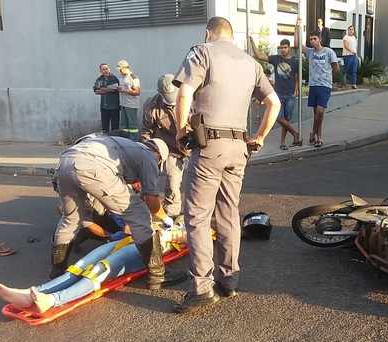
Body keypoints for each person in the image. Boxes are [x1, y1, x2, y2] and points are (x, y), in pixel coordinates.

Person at [171, 16, 280, 313]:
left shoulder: (202, 51)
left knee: (197, 216)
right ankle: (228, 282)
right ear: (231, 35)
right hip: (238, 148)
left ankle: (202, 289)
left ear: (209, 32)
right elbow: (275, 103)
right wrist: (259, 137)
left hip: (210, 147)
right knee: (229, 213)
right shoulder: (251, 64)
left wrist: (181, 130)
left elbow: (185, 92)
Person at [50, 132, 185, 291]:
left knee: (70, 219)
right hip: (92, 167)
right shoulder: (148, 155)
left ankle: (57, 273)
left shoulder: (126, 147)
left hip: (65, 162)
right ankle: (158, 276)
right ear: (159, 157)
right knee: (139, 214)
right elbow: (152, 203)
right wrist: (165, 218)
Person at [0, 223, 188, 314]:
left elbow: (187, 238)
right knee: (81, 265)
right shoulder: (165, 212)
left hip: (146, 250)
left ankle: (53, 300)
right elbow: (125, 229)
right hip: (125, 240)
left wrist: (164, 232)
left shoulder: (195, 225)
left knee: (99, 269)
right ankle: (34, 293)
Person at [141, 74, 191, 218]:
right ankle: (172, 215)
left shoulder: (193, 99)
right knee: (172, 183)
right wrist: (150, 156)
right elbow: (147, 133)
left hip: (196, 147)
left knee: (201, 183)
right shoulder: (152, 107)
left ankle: (202, 213)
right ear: (159, 92)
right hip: (173, 149)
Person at [249, 37, 302, 150]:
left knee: (285, 121)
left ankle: (283, 143)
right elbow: (259, 56)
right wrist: (253, 43)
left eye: (285, 47)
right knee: (279, 118)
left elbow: (297, 79)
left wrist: (295, 92)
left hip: (290, 95)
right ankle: (295, 134)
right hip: (278, 94)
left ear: (289, 48)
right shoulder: (276, 59)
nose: (283, 50)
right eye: (281, 48)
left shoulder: (295, 62)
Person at [295, 16, 339, 148]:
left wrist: (327, 74)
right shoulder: (310, 52)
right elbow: (297, 45)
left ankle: (312, 133)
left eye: (315, 39)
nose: (313, 42)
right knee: (316, 114)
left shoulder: (329, 52)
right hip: (313, 85)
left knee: (320, 111)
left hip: (325, 85)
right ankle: (319, 138)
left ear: (320, 39)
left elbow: (336, 68)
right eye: (311, 40)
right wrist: (297, 26)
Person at [117, 60, 141, 141]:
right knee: (124, 125)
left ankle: (134, 141)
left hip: (131, 105)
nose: (120, 71)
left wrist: (125, 91)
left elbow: (137, 92)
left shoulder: (133, 78)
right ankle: (125, 140)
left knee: (132, 125)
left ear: (125, 68)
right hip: (123, 103)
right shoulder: (122, 77)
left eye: (121, 69)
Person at [93, 63, 121, 133]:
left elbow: (113, 89)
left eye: (106, 69)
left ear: (109, 69)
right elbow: (96, 91)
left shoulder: (114, 78)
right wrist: (107, 90)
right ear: (101, 71)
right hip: (104, 107)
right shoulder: (99, 79)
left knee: (115, 128)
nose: (105, 71)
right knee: (104, 129)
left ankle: (114, 141)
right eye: (103, 69)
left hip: (114, 107)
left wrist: (101, 88)